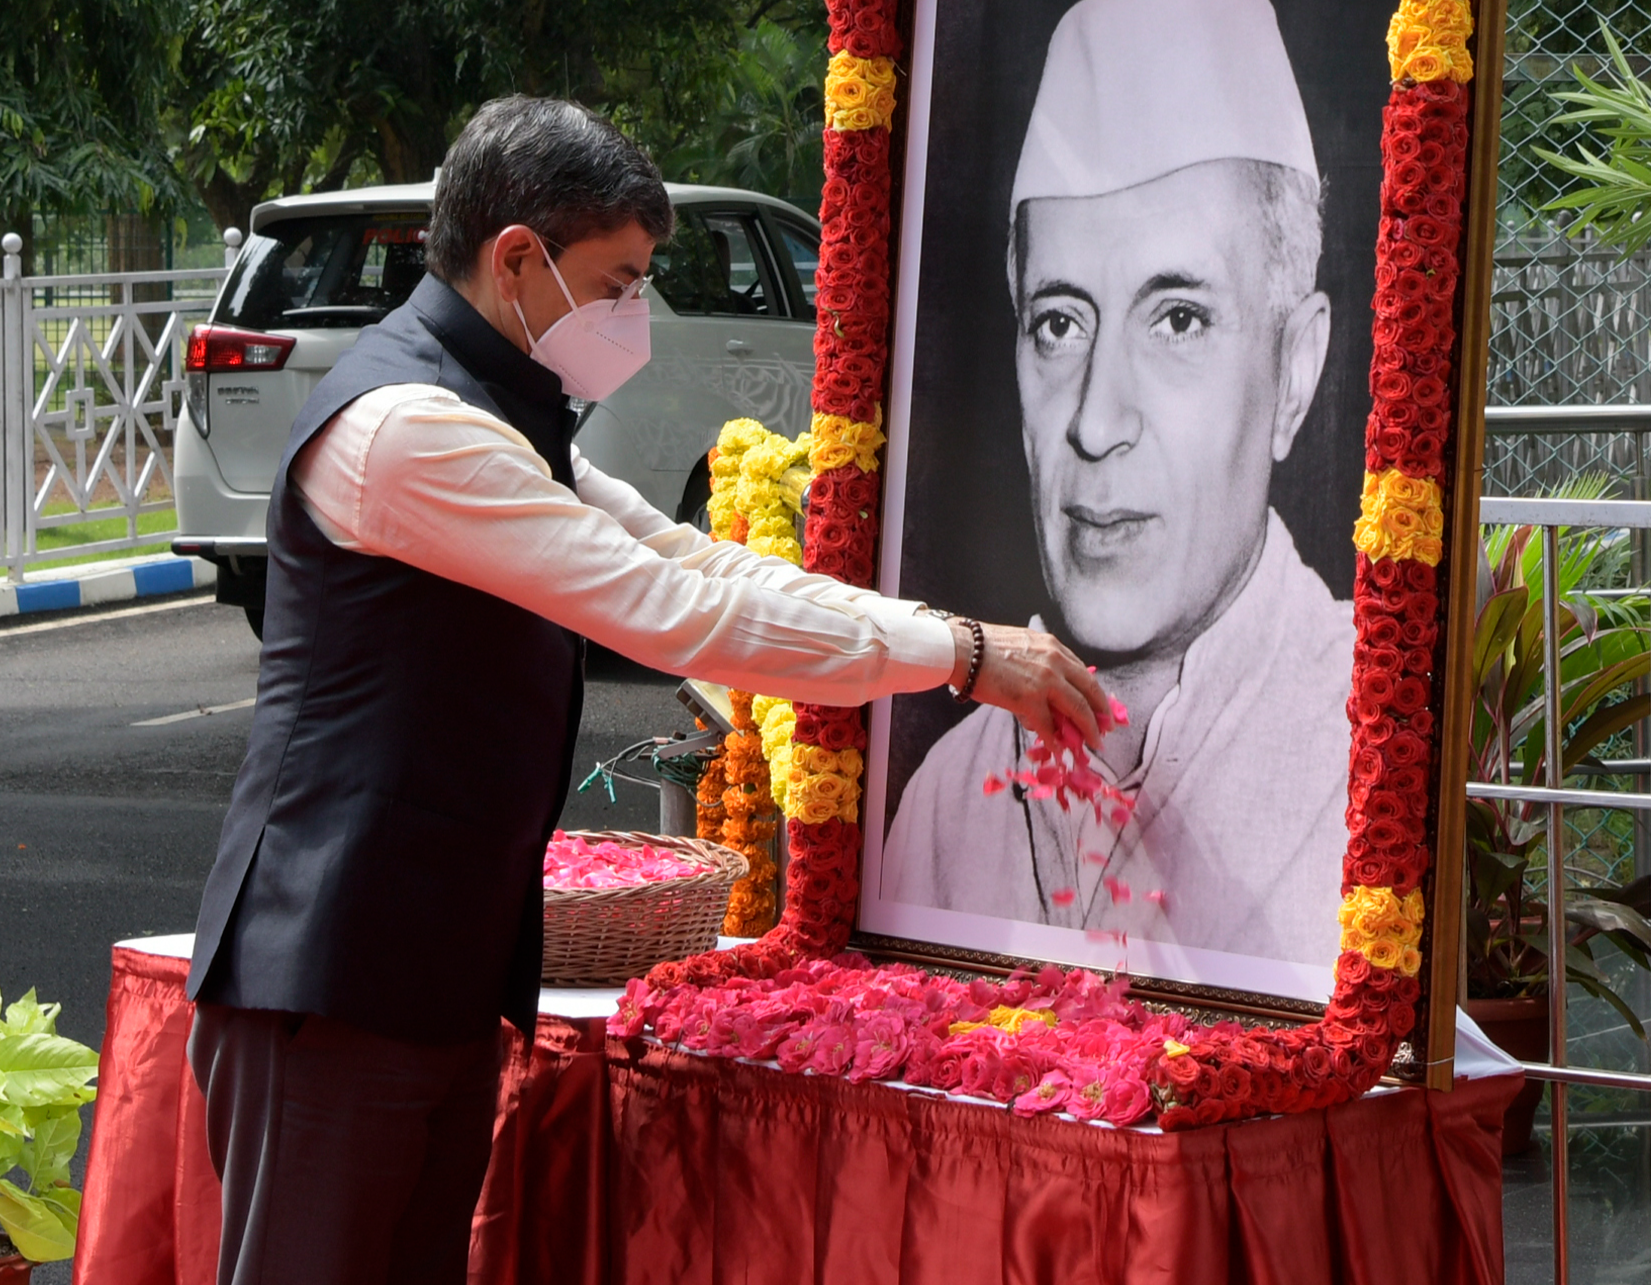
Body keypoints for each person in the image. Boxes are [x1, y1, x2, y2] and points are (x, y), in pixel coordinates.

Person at [185, 96, 1106, 1285]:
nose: (635, 317)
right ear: (516, 259)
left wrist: (946, 634)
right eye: (618, 282)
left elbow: (693, 558)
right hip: (332, 972)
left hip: (427, 965)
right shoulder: (410, 430)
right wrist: (966, 660)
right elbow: (674, 614)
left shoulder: (501, 418)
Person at [883, 0, 1356, 973]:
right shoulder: (941, 803)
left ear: (1295, 372)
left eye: (1177, 318)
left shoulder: (1375, 740)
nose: (1095, 421)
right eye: (1059, 322)